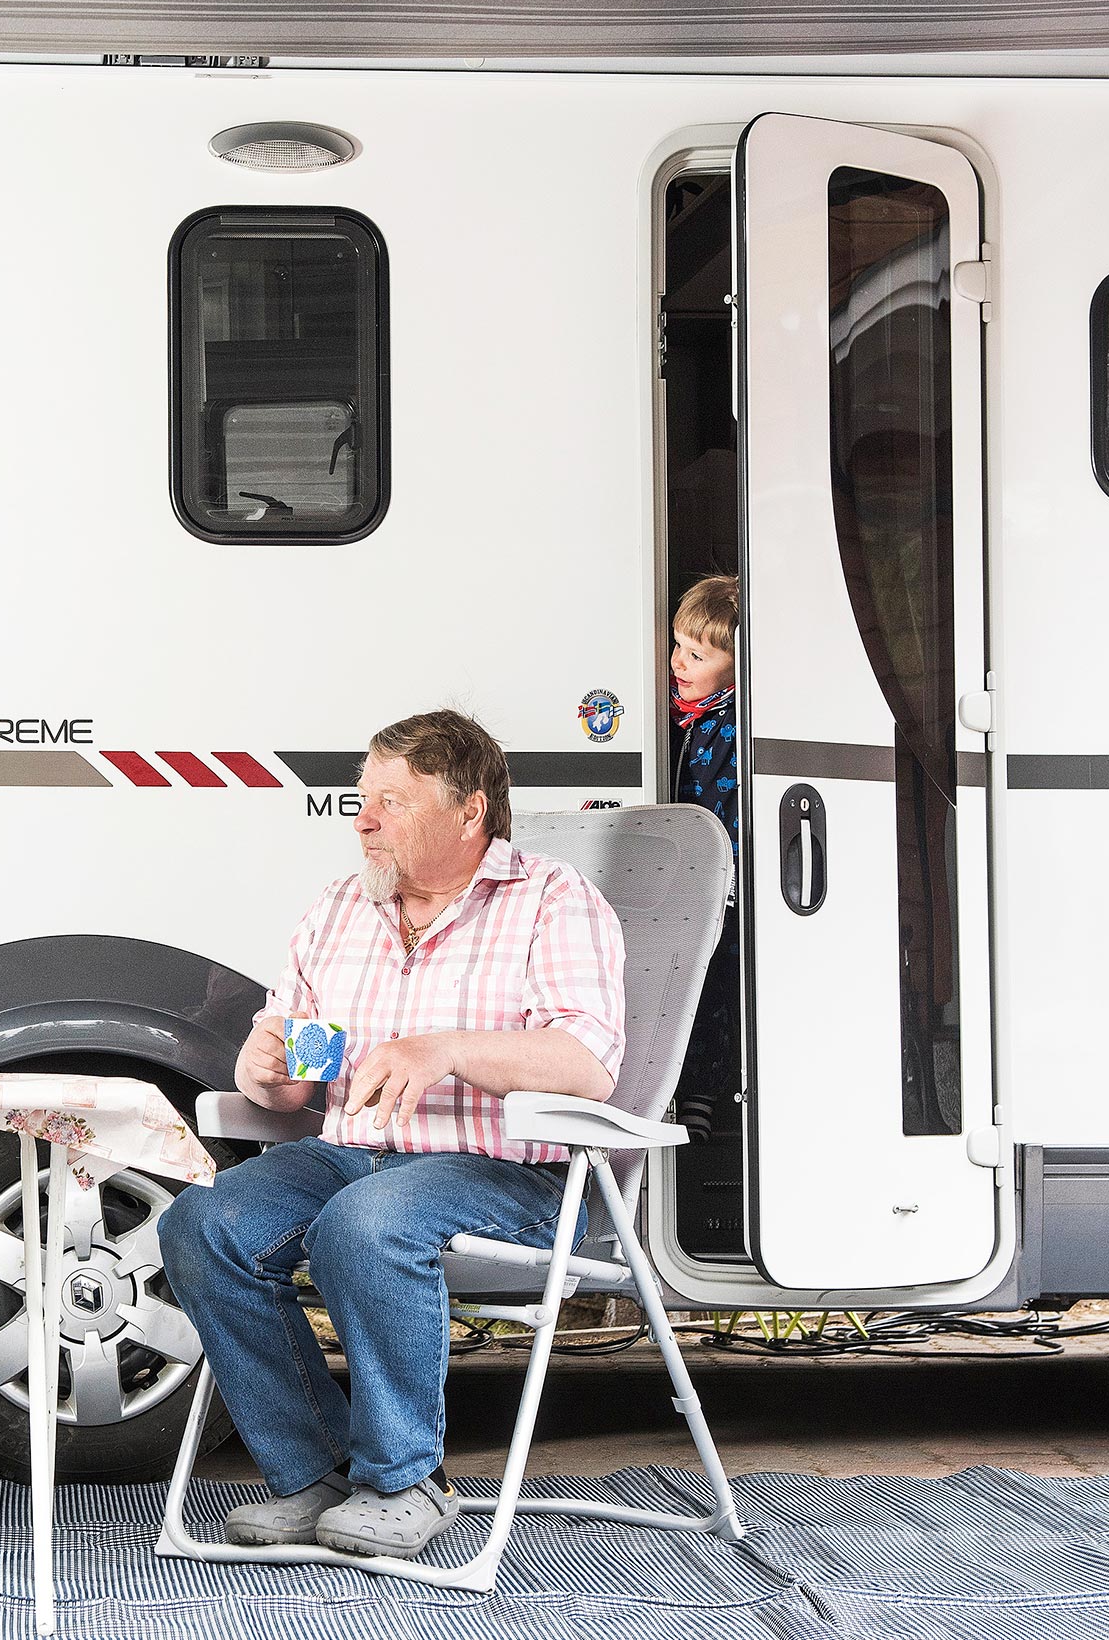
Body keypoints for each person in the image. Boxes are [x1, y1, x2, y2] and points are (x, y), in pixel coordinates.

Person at [156, 710, 625, 1561]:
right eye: (362, 799)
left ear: (469, 810)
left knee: (366, 1222)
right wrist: (267, 1072)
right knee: (202, 1223)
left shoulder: (552, 900)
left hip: (502, 1170)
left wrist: (445, 1050)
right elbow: (303, 1077)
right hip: (348, 1153)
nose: (363, 821)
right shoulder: (341, 908)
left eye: (391, 802)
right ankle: (317, 1473)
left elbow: (586, 1064)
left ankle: (406, 1480)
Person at [668, 574, 739, 1141]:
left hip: (722, 885)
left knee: (715, 988)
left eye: (697, 655)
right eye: (677, 646)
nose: (678, 662)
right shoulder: (690, 717)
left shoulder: (731, 725)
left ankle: (702, 1096)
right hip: (692, 879)